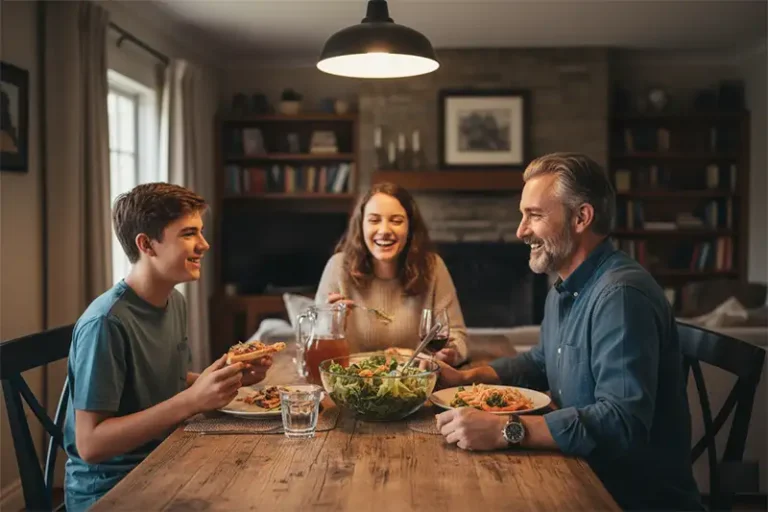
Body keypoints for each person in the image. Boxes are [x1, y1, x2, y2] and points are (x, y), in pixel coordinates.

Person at [434, 153, 702, 510]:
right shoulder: (565, 287)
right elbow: (543, 360)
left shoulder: (621, 296)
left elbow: (622, 422)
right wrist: (465, 378)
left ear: (581, 217)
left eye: (535, 215)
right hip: (576, 470)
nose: (520, 231)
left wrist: (504, 430)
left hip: (624, 498)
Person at [63, 183, 273, 510]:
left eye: (200, 232)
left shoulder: (174, 301)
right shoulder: (105, 323)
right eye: (189, 233)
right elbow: (91, 445)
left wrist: (231, 378)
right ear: (146, 244)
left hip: (168, 457)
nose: (204, 244)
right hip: (111, 490)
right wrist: (192, 401)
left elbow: (160, 380)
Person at [315, 181, 468, 366]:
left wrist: (449, 354)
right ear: (361, 226)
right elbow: (315, 347)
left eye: (396, 221)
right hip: (352, 379)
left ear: (410, 228)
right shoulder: (337, 267)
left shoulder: (433, 267)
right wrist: (329, 325)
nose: (384, 231)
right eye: (374, 220)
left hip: (415, 378)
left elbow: (457, 338)